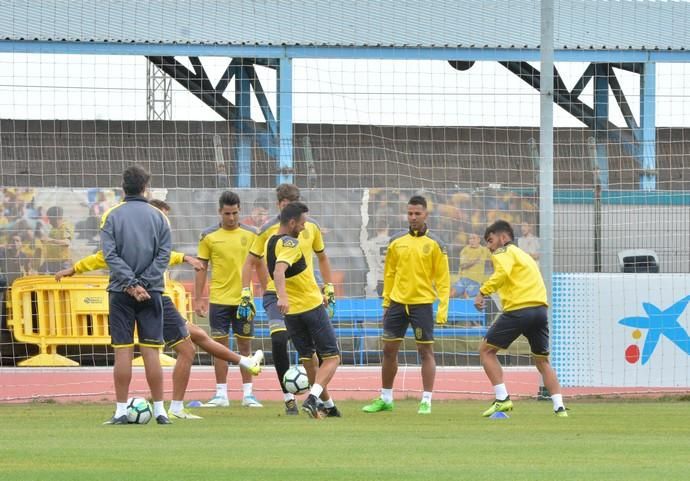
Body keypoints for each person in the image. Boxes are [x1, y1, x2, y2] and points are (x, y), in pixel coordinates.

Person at [55, 199, 263, 420]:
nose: (163, 221)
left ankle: (242, 363)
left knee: (197, 337)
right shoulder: (148, 236)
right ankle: (173, 407)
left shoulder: (136, 237)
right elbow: (105, 258)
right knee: (185, 349)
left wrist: (184, 258)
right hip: (155, 297)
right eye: (161, 215)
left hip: (147, 295)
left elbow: (111, 257)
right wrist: (74, 269)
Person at [241, 183, 336, 415]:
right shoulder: (268, 231)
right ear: (279, 206)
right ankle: (289, 397)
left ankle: (326, 404)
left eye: (291, 203)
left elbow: (322, 258)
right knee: (280, 340)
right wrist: (246, 291)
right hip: (279, 295)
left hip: (303, 294)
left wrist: (328, 286)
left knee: (310, 355)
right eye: (284, 204)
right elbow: (252, 262)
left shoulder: (310, 228)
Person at [362, 195, 450, 415]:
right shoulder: (396, 241)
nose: (413, 217)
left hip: (422, 305)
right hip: (397, 305)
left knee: (425, 351)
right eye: (410, 213)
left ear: (426, 214)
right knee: (389, 350)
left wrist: (443, 306)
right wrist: (386, 303)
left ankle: (426, 401)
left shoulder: (436, 244)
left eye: (417, 213)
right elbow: (389, 274)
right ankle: (386, 398)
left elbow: (443, 279)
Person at [473, 220, 567, 417]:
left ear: (503, 237)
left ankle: (502, 399)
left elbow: (502, 274)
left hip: (520, 308)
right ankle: (559, 407)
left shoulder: (503, 253)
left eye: (490, 241)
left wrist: (483, 292)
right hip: (540, 310)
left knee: (486, 350)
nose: (489, 247)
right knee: (542, 361)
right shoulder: (524, 256)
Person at [100, 164, 171, 425]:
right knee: (151, 351)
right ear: (145, 187)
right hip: (152, 292)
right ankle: (161, 411)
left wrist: (130, 283)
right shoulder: (159, 217)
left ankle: (120, 411)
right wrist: (144, 283)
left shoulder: (111, 216)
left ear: (123, 187)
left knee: (123, 351)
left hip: (120, 292)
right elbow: (164, 255)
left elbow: (110, 255)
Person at [269, 201, 341, 419]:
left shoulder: (271, 241)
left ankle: (328, 406)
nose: (303, 228)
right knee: (333, 358)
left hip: (292, 313)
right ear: (292, 223)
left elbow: (293, 274)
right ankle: (313, 398)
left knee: (309, 359)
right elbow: (279, 270)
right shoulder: (290, 243)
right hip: (310, 307)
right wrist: (281, 296)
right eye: (302, 224)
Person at [195, 191, 262, 408]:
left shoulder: (252, 233)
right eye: (227, 213)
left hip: (244, 301)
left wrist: (269, 290)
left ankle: (248, 394)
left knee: (245, 346)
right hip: (219, 300)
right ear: (219, 212)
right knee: (219, 348)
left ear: (239, 210)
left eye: (234, 213)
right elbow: (201, 269)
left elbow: (260, 265)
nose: (231, 218)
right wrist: (198, 299)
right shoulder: (208, 236)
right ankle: (221, 394)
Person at [450, 233, 491, 299]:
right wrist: (475, 261)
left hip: (475, 281)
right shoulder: (465, 250)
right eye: (470, 239)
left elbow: (494, 260)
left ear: (478, 240)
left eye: (473, 238)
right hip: (463, 280)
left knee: (466, 295)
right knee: (451, 293)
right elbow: (463, 266)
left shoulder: (484, 250)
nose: (471, 240)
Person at [41, 205, 74, 273]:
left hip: (61, 263)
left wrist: (50, 240)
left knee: (62, 282)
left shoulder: (65, 227)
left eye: (50, 219)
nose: (49, 222)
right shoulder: (54, 228)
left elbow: (67, 242)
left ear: (57, 218)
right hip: (51, 262)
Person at [363, 221, 390, 297]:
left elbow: (369, 262)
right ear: (387, 228)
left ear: (376, 229)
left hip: (378, 279)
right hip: (391, 278)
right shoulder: (393, 241)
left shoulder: (370, 243)